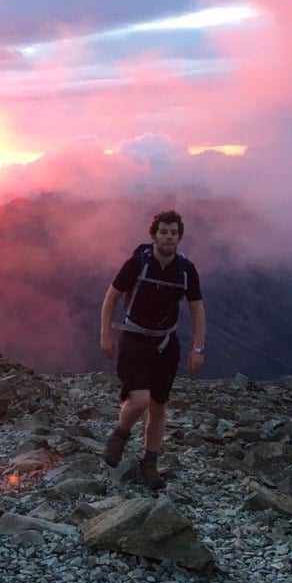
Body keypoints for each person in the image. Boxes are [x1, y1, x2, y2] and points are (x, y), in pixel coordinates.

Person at [98, 209, 206, 491]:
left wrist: (198, 348)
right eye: (164, 232)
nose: (169, 237)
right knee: (140, 399)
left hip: (165, 343)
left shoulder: (186, 270)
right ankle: (121, 435)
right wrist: (106, 333)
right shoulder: (137, 264)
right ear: (154, 235)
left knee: (159, 405)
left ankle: (150, 461)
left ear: (180, 237)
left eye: (174, 232)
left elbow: (197, 309)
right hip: (134, 339)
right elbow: (111, 297)